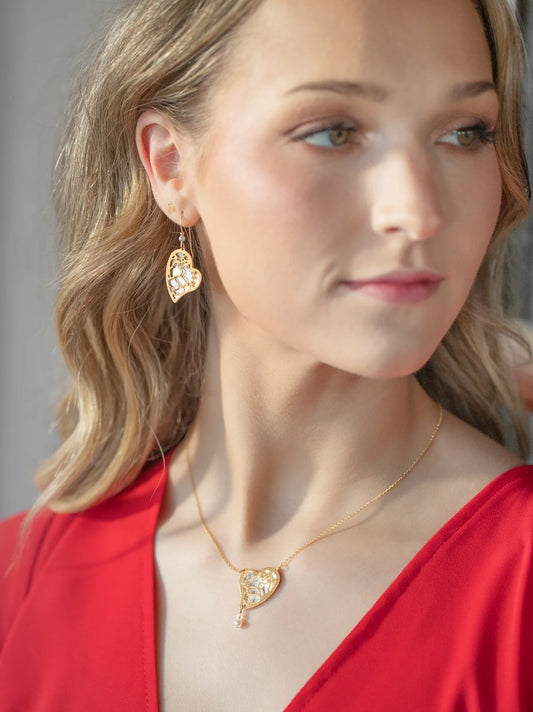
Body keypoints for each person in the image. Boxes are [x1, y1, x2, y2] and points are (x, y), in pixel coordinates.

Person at [1, 0, 532, 709]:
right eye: (334, 132)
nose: (418, 211)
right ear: (171, 166)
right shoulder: (19, 584)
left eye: (465, 133)